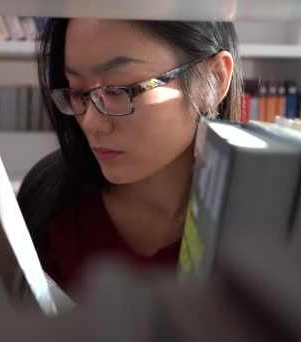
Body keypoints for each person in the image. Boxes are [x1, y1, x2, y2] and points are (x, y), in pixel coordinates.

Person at [18, 18, 242, 293]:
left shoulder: (260, 229)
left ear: (215, 78)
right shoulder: (49, 199)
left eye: (117, 90)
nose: (91, 123)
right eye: (77, 91)